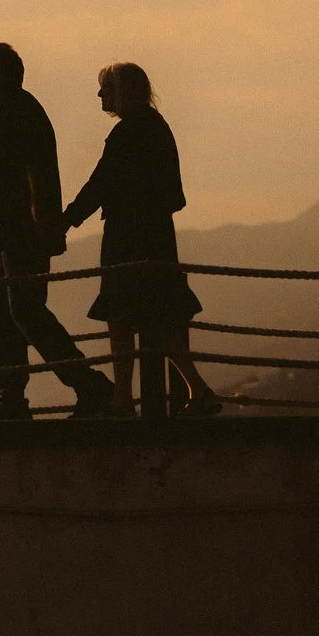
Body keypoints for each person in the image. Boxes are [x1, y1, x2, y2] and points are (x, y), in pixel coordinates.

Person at [0, 43, 119, 419]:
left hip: (21, 235)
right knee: (7, 317)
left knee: (24, 313)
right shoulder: (10, 111)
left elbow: (38, 175)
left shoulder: (18, 113)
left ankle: (90, 387)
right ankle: (13, 400)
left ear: (3, 74)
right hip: (10, 236)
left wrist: (46, 227)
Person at [64, 61, 220, 417]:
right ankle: (194, 389)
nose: (100, 94)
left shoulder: (128, 133)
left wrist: (67, 220)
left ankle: (124, 400)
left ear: (122, 91)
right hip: (155, 235)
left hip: (128, 238)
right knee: (159, 317)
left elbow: (100, 184)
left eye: (105, 88)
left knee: (121, 317)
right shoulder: (156, 128)